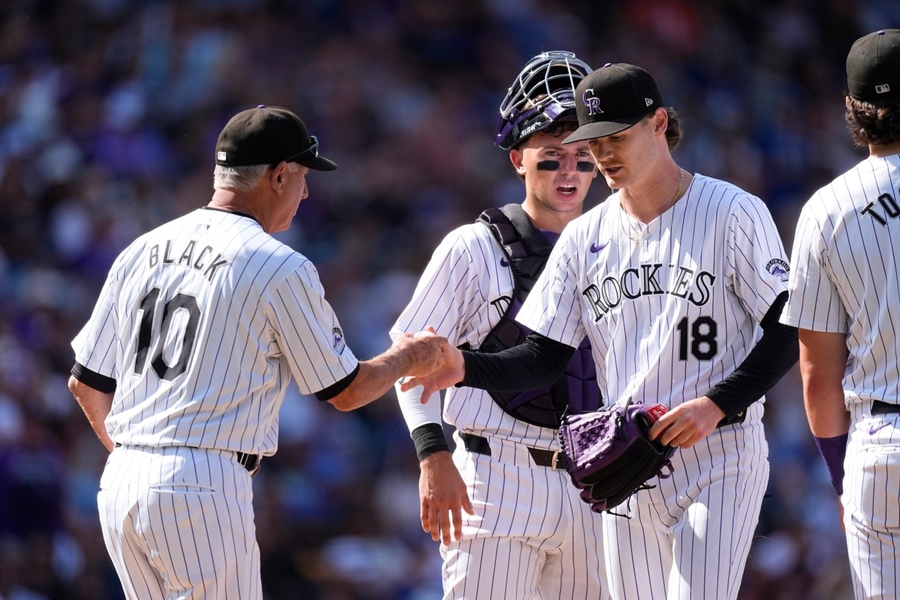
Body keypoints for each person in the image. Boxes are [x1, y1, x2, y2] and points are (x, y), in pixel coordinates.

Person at [403, 62, 800, 599]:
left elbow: (787, 326)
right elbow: (544, 356)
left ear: (659, 124)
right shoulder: (585, 236)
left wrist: (717, 403)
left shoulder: (731, 212)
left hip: (719, 451)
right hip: (624, 457)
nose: (602, 155)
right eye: (595, 140)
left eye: (614, 137)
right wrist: (464, 368)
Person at [66, 105, 450, 600]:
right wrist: (407, 357)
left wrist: (138, 462)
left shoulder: (141, 248)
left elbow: (85, 381)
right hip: (200, 482)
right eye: (303, 177)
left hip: (121, 479)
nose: (306, 192)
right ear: (279, 174)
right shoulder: (276, 264)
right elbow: (346, 391)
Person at [391, 51, 609, 599]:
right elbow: (411, 360)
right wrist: (432, 454)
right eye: (550, 156)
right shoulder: (473, 247)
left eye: (582, 157)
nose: (568, 172)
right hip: (496, 476)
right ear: (518, 158)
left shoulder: (622, 248)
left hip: (597, 480)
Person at [782, 28, 900, 600]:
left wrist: (841, 477)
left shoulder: (826, 210)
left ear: (852, 109)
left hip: (879, 446)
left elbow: (816, 374)